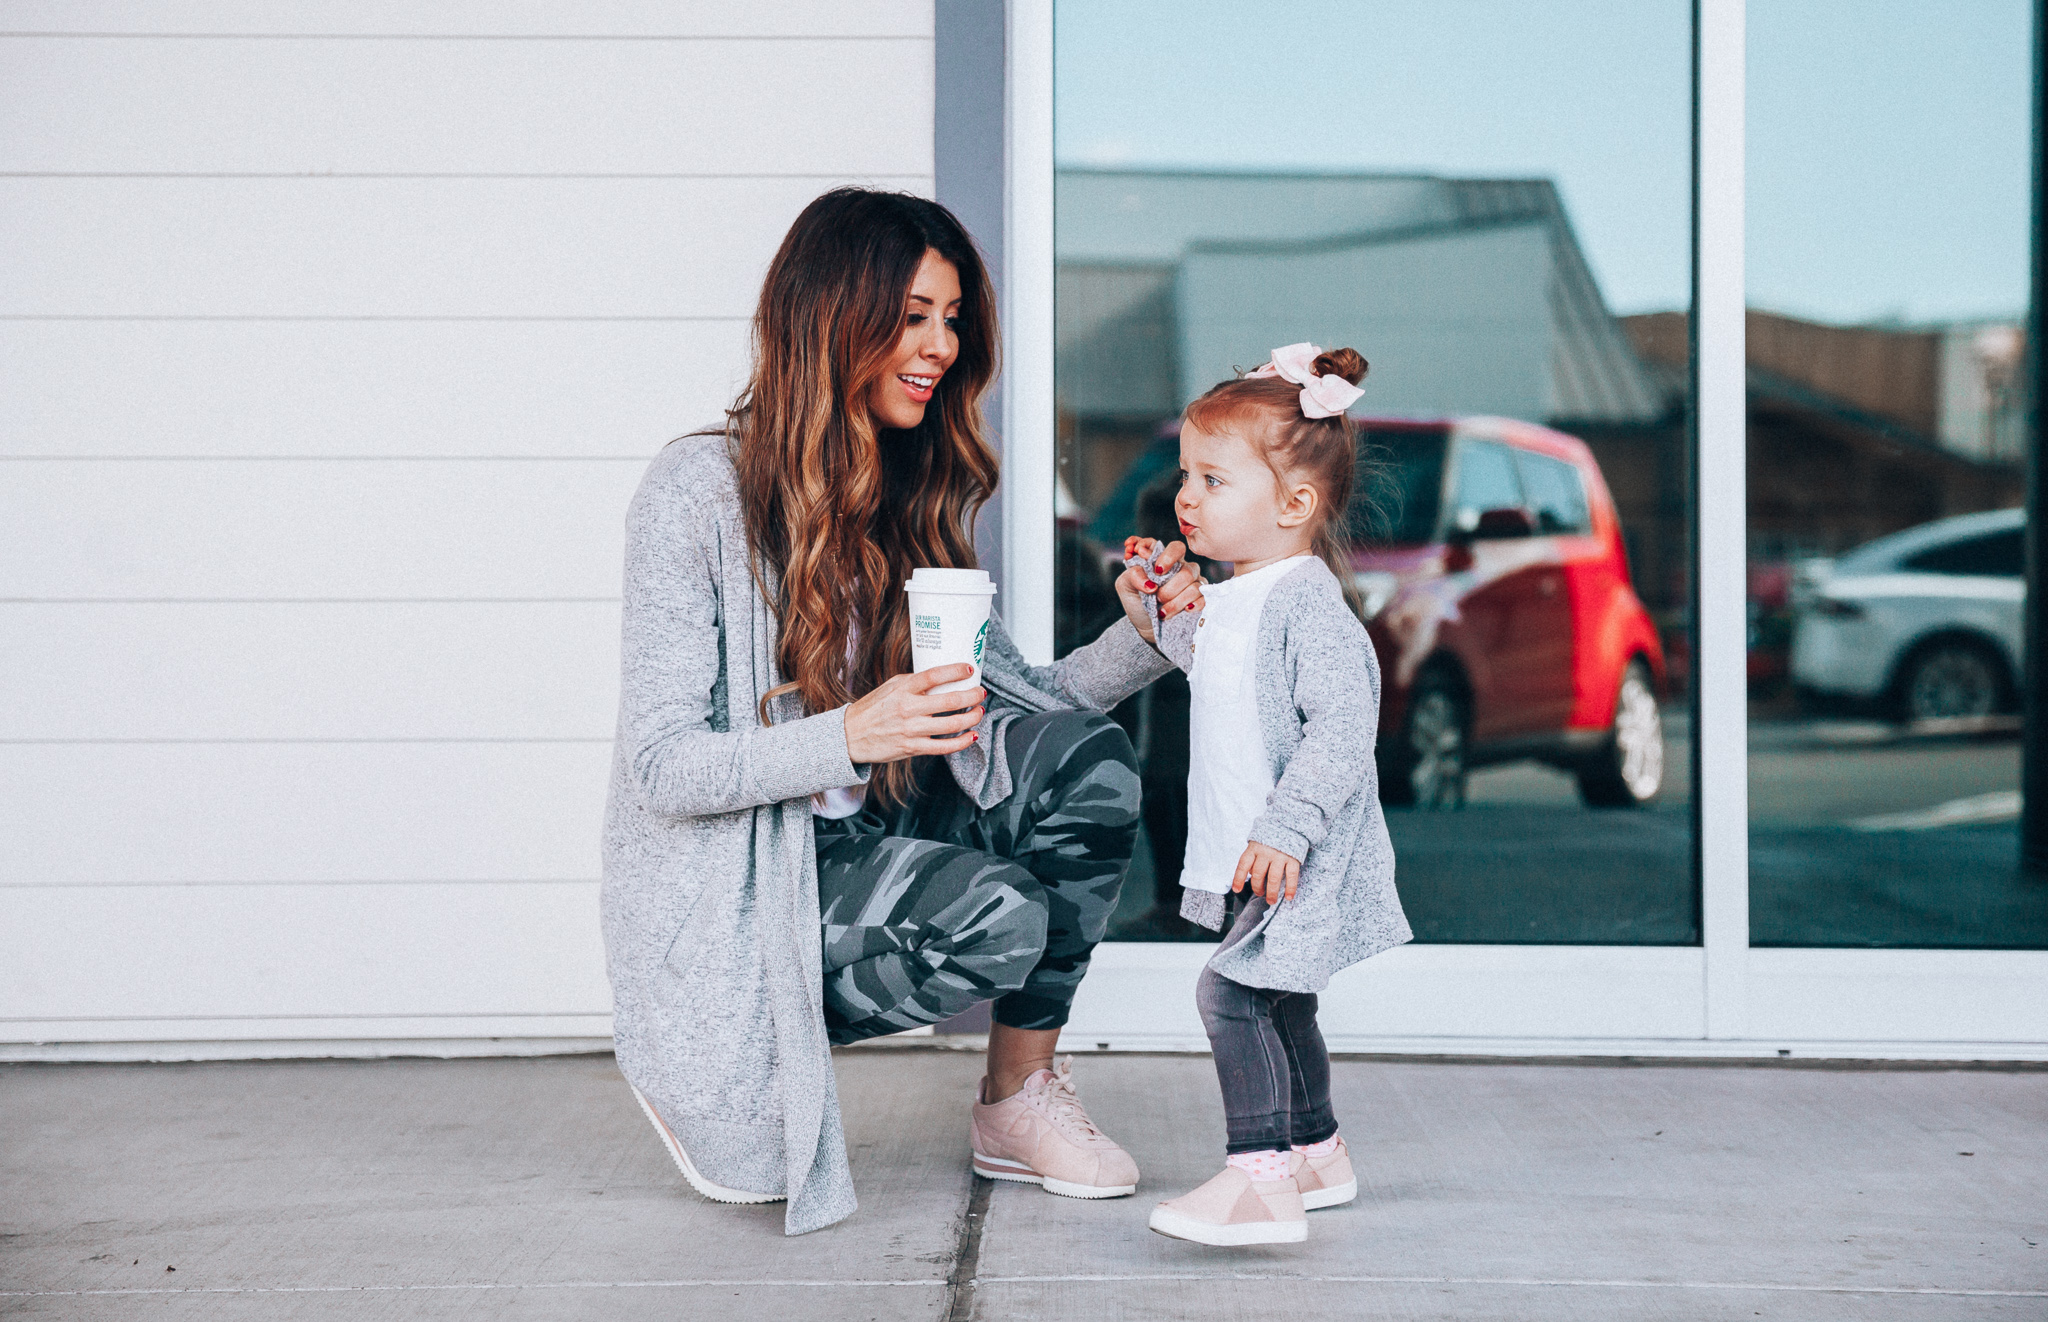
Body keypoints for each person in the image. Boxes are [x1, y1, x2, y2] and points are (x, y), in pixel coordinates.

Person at [599, 187, 1205, 1235]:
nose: (939, 345)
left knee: (1084, 761)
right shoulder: (697, 491)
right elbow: (659, 765)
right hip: (756, 886)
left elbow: (1021, 704)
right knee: (999, 915)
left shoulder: (902, 498)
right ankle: (740, 1037)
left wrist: (1142, 638)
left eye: (952, 317)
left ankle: (1017, 1099)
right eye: (914, 315)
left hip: (877, 827)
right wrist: (849, 733)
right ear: (832, 319)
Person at [1129, 343, 1414, 1247]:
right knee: (1280, 1000)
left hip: (1291, 852)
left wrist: (1289, 829)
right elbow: (1213, 674)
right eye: (1186, 475)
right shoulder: (1240, 597)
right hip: (1259, 849)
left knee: (1232, 997)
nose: (1186, 498)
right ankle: (1316, 1152)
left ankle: (1260, 1181)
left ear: (1295, 505)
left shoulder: (1309, 609)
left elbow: (1342, 731)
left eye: (1214, 479)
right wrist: (1168, 606)